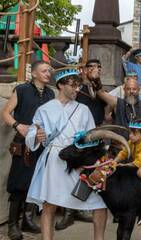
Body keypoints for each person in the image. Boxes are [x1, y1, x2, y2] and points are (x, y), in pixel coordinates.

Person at [25, 68, 107, 240]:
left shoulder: (83, 109)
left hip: (78, 160)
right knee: (49, 205)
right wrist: (36, 137)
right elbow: (33, 132)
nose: (77, 89)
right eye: (73, 85)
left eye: (78, 85)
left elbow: (92, 135)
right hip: (55, 160)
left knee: (99, 203)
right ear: (61, 85)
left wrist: (92, 152)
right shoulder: (45, 109)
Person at [2, 61, 55, 240]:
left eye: (49, 70)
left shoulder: (50, 93)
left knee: (36, 182)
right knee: (18, 184)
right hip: (23, 144)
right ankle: (13, 225)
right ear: (34, 74)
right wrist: (18, 126)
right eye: (44, 70)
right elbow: (6, 113)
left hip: (42, 145)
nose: (48, 73)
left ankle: (28, 220)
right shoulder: (22, 90)